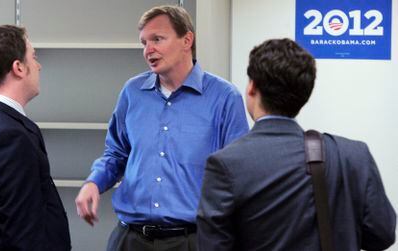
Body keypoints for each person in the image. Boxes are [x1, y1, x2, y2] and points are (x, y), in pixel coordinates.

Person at [75, 5, 249, 251]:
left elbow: (238, 174)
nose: (148, 50)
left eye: (157, 39)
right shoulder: (132, 92)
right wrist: (93, 183)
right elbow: (116, 154)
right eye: (144, 42)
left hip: (193, 240)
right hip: (130, 239)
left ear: (187, 40)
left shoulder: (224, 97)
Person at [197, 38, 396, 251]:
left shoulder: (226, 164)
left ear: (252, 87)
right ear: (304, 93)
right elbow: (382, 235)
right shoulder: (353, 155)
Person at [0, 25, 71, 250]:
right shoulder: (10, 135)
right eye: (34, 57)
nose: (39, 66)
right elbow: (24, 232)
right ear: (18, 68)